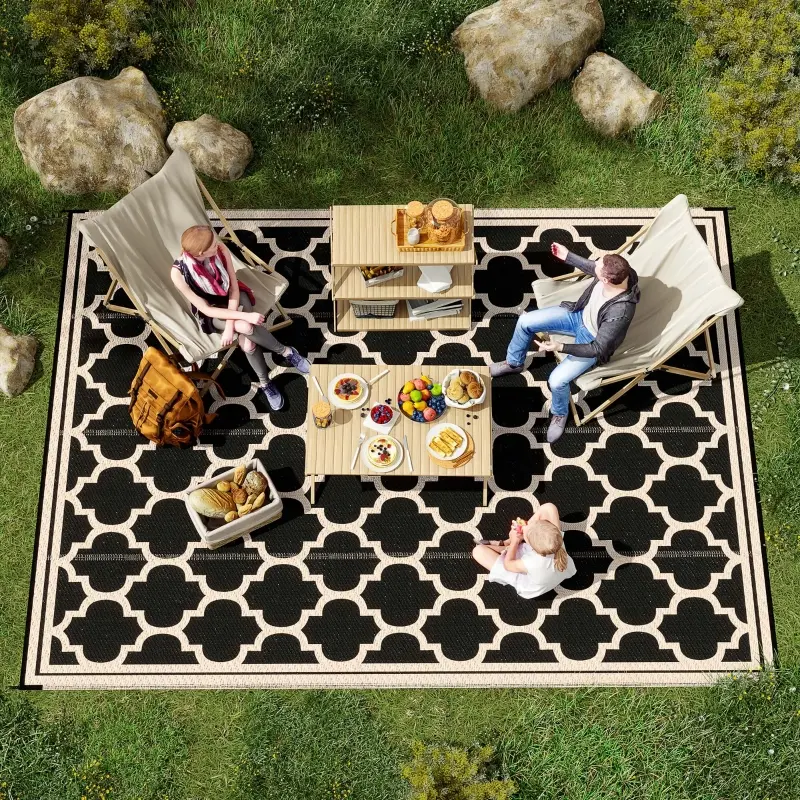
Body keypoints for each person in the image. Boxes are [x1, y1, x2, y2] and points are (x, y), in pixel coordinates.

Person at [490, 243, 640, 443]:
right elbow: (593, 267)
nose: (593, 264)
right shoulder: (619, 273)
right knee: (525, 321)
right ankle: (514, 363)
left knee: (557, 380)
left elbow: (598, 348)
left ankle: (559, 413)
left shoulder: (619, 313)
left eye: (598, 267)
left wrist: (560, 347)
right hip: (578, 316)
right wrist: (567, 255)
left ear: (605, 280)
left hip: (592, 340)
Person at [170, 225, 309, 410]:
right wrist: (245, 317)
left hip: (234, 296)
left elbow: (234, 289)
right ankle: (285, 353)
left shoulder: (220, 249)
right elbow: (206, 309)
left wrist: (231, 326)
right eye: (213, 245)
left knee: (246, 335)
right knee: (246, 333)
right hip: (211, 311)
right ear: (201, 253)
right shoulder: (178, 273)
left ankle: (271, 373)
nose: (218, 244)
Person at [471, 503, 576, 599]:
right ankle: (504, 545)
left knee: (478, 551)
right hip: (548, 569)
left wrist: (515, 541)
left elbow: (508, 565)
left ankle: (505, 546)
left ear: (531, 547)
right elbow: (549, 510)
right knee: (549, 508)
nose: (525, 527)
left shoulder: (531, 563)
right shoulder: (555, 539)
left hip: (529, 582)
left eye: (526, 534)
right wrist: (523, 533)